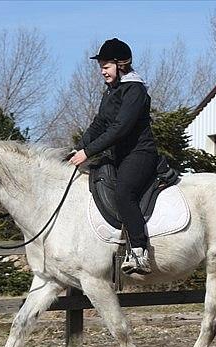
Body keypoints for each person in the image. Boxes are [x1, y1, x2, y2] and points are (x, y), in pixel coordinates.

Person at [69, 38, 158, 275]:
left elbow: (120, 128)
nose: (102, 71)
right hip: (121, 155)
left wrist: (88, 153)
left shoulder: (135, 90)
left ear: (121, 65)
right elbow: (99, 124)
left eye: (106, 66)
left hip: (140, 153)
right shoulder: (112, 92)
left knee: (123, 192)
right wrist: (78, 149)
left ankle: (139, 252)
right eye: (101, 66)